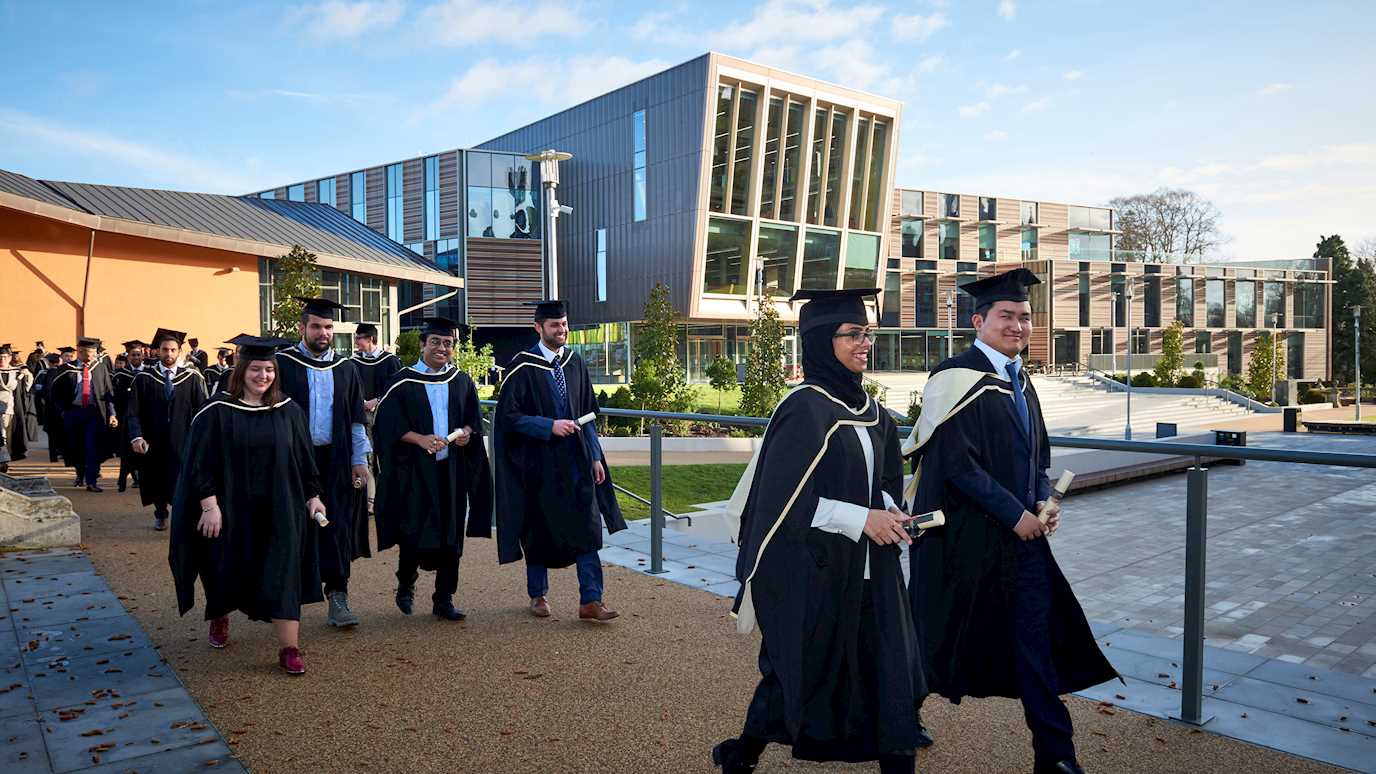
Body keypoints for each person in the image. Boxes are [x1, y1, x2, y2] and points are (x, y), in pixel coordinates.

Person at [905, 269, 1117, 774]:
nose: (1018, 325)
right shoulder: (953, 379)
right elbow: (956, 466)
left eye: (1024, 316)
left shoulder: (1023, 381)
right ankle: (896, 716)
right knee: (934, 635)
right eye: (1007, 315)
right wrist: (1013, 513)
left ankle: (1056, 756)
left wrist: (1044, 500)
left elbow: (1036, 460)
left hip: (1021, 544)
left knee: (1035, 643)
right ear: (979, 321)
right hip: (963, 542)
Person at [713, 289, 924, 774]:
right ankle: (742, 751)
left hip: (876, 569)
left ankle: (898, 759)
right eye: (851, 335)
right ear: (819, 342)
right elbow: (782, 504)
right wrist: (860, 519)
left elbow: (886, 484)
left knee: (889, 669)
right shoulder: (804, 409)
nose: (863, 343)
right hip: (819, 569)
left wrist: (892, 513)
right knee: (798, 672)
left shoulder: (872, 410)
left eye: (866, 333)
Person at [169, 335, 327, 675]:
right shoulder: (217, 412)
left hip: (280, 507)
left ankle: (289, 648)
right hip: (231, 508)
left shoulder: (288, 410)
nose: (264, 376)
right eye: (256, 368)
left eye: (270, 369)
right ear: (241, 371)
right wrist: (209, 505)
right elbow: (199, 462)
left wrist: (313, 496)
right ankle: (221, 614)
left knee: (284, 571)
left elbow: (304, 459)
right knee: (225, 566)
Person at [494, 300, 626, 622]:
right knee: (539, 529)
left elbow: (589, 415)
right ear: (538, 327)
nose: (562, 330)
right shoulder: (522, 367)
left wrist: (596, 457)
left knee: (588, 527)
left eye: (565, 324)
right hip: (538, 464)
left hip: (577, 460)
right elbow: (508, 418)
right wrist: (547, 426)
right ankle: (537, 594)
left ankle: (591, 600)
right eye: (555, 325)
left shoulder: (575, 362)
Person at [373, 317, 493, 621]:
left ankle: (444, 599)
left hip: (450, 473)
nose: (442, 348)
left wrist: (466, 433)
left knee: (452, 537)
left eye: (448, 344)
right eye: (436, 342)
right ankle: (406, 583)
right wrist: (419, 439)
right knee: (413, 532)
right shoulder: (403, 381)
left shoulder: (461, 381)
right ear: (423, 344)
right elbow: (387, 424)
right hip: (415, 472)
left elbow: (472, 420)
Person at [275, 297, 371, 628]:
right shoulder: (282, 364)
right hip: (293, 460)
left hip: (336, 459)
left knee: (337, 526)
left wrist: (360, 459)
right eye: (316, 326)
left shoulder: (346, 369)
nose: (323, 332)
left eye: (328, 327)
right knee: (293, 525)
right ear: (302, 328)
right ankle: (289, 597)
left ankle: (338, 595)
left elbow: (357, 419)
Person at [128, 329, 208, 529]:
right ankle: (161, 512)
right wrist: (136, 436)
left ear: (180, 351)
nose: (169, 354)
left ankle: (181, 514)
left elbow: (202, 411)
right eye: (165, 349)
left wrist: (200, 438)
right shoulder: (144, 378)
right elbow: (132, 412)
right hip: (153, 438)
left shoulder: (191, 378)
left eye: (173, 350)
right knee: (156, 476)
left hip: (183, 438)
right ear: (158, 351)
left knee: (183, 477)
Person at [49, 338, 118, 490]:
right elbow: (55, 394)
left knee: (92, 445)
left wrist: (112, 413)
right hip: (73, 412)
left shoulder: (100, 368)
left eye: (94, 352)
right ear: (79, 352)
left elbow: (108, 393)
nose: (92, 355)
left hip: (94, 412)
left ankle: (92, 481)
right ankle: (80, 474)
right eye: (89, 352)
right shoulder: (66, 369)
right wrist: (62, 412)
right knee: (76, 445)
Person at [351, 322, 401, 513]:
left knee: (385, 457)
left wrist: (377, 400)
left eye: (359, 338)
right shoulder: (353, 363)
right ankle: (370, 501)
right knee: (367, 456)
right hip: (362, 417)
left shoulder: (390, 361)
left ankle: (388, 498)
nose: (356, 342)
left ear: (370, 339)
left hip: (385, 417)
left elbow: (397, 390)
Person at [112, 340, 147, 492]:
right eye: (133, 355)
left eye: (138, 355)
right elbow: (114, 396)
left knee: (143, 449)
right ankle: (128, 478)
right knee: (127, 451)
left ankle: (142, 477)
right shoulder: (120, 374)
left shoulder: (148, 373)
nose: (136, 358)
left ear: (143, 356)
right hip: (126, 417)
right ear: (128, 357)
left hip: (144, 417)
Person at [0, 344, 39, 471]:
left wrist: (27, 375)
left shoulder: (16, 371)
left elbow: (26, 388)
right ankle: (2, 460)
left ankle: (6, 459)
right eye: (0, 357)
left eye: (5, 357)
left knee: (9, 436)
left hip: (10, 408)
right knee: (2, 435)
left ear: (10, 357)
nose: (2, 360)